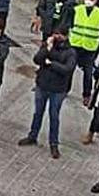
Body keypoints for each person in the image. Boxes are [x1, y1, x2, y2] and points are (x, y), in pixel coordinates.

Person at [20, 31, 76, 159]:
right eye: (55, 34)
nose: (57, 37)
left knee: (54, 116)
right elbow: (37, 59)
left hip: (58, 90)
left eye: (60, 35)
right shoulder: (47, 46)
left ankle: (54, 144)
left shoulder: (70, 52)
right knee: (38, 112)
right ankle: (32, 136)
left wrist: (51, 64)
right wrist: (47, 48)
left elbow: (67, 69)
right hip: (42, 85)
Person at [67, 0, 99, 105]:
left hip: (90, 47)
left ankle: (86, 94)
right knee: (69, 69)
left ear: (96, 0)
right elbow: (71, 24)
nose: (88, 1)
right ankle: (65, 89)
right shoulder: (76, 10)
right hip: (75, 44)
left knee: (88, 73)